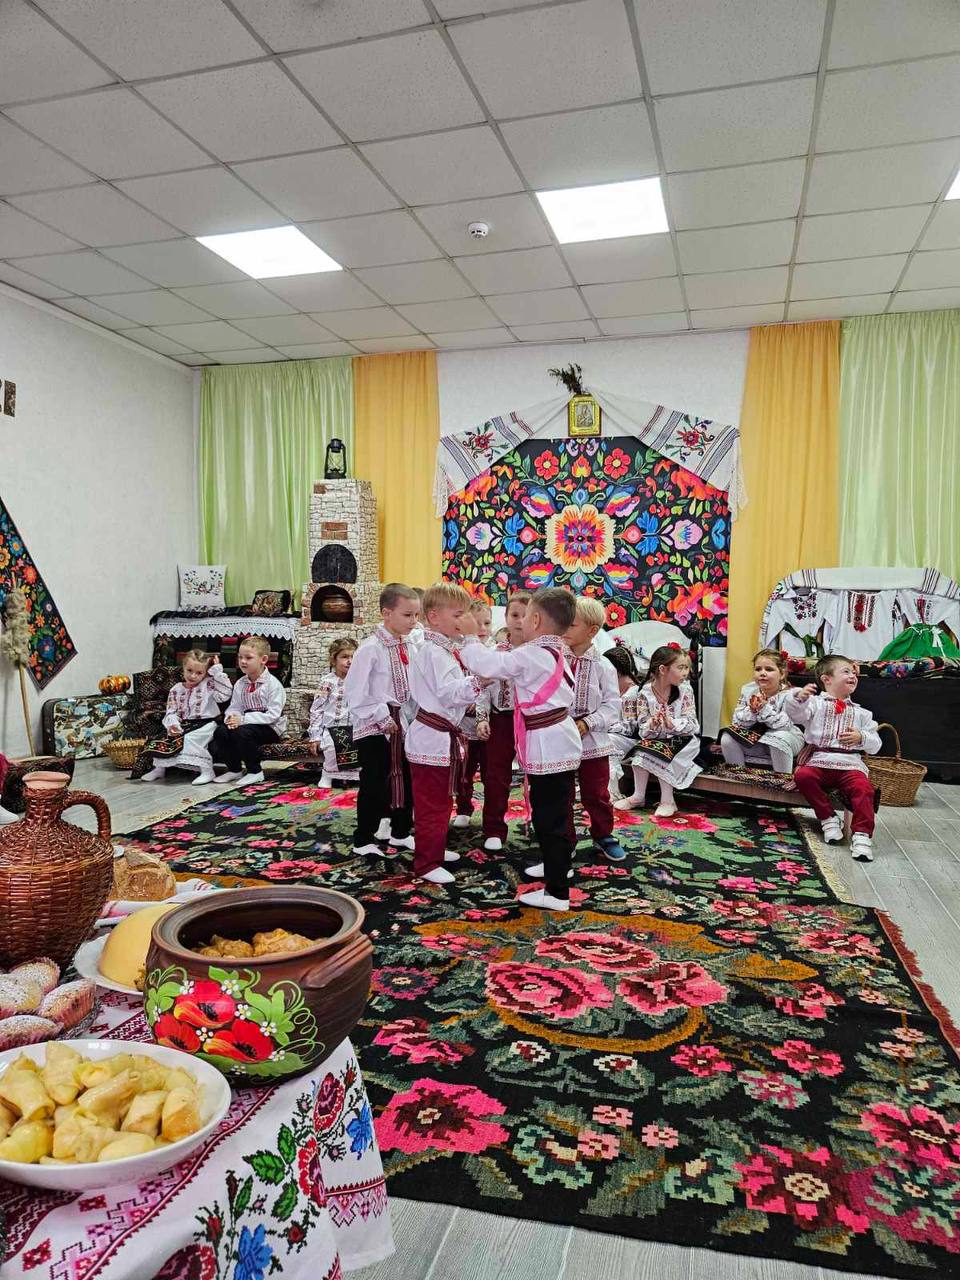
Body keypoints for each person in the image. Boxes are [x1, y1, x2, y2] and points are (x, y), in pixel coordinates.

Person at [460, 586, 581, 913]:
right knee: (555, 812)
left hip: (549, 743)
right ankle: (556, 867)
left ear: (536, 620)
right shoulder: (554, 650)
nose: (520, 621)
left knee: (550, 816)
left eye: (525, 615)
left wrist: (470, 637)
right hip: (558, 740)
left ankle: (557, 893)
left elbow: (487, 664)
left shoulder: (531, 654)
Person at [406, 582, 484, 883]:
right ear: (434, 617)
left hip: (438, 736)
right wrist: (479, 682)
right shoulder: (434, 653)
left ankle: (434, 849)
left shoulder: (442, 650)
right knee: (432, 803)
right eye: (458, 614)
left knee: (441, 800)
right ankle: (426, 864)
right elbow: (449, 693)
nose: (464, 620)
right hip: (431, 738)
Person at [343, 582, 419, 857]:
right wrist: (380, 716)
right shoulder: (370, 648)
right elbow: (355, 691)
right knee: (374, 781)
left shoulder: (409, 644)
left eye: (416, 615)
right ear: (386, 613)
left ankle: (400, 832)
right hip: (373, 725)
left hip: (403, 722)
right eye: (407, 615)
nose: (413, 621)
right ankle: (363, 838)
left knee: (405, 778)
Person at [787, 654, 882, 862]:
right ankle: (828, 817)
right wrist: (799, 697)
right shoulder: (815, 704)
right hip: (820, 760)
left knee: (864, 789)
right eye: (846, 671)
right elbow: (796, 715)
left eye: (854, 673)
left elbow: (876, 745)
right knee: (803, 776)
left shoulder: (862, 713)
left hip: (850, 764)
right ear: (827, 679)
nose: (853, 676)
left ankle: (862, 835)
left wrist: (861, 737)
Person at [564, 597, 626, 861]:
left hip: (593, 739)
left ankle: (604, 835)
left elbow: (612, 705)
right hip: (560, 736)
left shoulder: (603, 665)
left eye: (572, 624)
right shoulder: (555, 660)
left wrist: (588, 722)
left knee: (597, 792)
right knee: (562, 793)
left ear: (592, 631)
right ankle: (564, 838)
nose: (564, 628)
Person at [614, 644, 701, 818]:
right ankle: (638, 796)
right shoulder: (644, 693)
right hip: (657, 739)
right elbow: (642, 730)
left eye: (687, 668)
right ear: (663, 669)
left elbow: (693, 724)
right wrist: (652, 725)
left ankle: (668, 801)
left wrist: (672, 724)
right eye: (681, 668)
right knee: (640, 754)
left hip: (684, 739)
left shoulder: (685, 690)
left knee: (661, 754)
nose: (685, 673)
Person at [133, 650, 232, 784]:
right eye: (189, 670)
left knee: (191, 738)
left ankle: (207, 770)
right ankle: (159, 769)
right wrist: (173, 724)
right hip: (185, 723)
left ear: (205, 673)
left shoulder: (209, 684)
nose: (193, 676)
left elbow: (225, 695)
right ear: (183, 668)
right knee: (163, 737)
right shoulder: (176, 689)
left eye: (199, 673)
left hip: (207, 724)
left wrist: (218, 672)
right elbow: (171, 711)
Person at [480, 590, 530, 852]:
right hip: (501, 720)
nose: (519, 621)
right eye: (514, 615)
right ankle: (493, 828)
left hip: (532, 722)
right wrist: (482, 718)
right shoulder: (495, 653)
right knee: (496, 776)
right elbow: (482, 688)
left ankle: (541, 823)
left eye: (525, 615)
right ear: (507, 617)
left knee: (540, 776)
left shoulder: (541, 652)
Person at [210, 637, 286, 785]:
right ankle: (234, 770)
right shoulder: (240, 683)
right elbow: (235, 707)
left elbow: (273, 715)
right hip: (246, 723)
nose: (243, 661)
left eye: (248, 658)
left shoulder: (273, 685)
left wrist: (243, 720)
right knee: (221, 731)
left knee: (242, 732)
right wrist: (231, 718)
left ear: (263, 659)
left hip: (270, 727)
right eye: (240, 657)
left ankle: (255, 771)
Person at [720, 649, 805, 774]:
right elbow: (737, 722)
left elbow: (784, 725)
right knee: (728, 737)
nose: (762, 673)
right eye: (758, 669)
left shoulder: (791, 694)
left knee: (777, 738)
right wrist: (752, 710)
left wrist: (764, 709)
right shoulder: (748, 689)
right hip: (758, 737)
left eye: (769, 669)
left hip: (787, 737)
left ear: (782, 674)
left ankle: (782, 779)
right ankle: (739, 775)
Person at [453, 599, 493, 828]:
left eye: (487, 623)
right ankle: (464, 808)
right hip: (463, 725)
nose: (482, 629)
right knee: (463, 771)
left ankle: (492, 812)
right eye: (477, 623)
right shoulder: (457, 653)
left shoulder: (495, 653)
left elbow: (492, 686)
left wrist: (480, 709)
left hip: (488, 725)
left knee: (491, 773)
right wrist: (465, 701)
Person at [308, 638, 359, 788]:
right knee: (330, 746)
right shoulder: (326, 682)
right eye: (344, 657)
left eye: (353, 657)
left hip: (354, 726)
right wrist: (315, 736)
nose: (350, 661)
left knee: (361, 744)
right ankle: (328, 774)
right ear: (333, 660)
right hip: (332, 727)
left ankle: (353, 776)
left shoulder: (360, 681)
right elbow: (317, 709)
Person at [605, 643, 643, 798]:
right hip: (618, 735)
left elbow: (630, 727)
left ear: (617, 670)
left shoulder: (631, 693)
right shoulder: (614, 689)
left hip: (631, 739)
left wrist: (605, 727)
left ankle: (612, 791)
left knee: (607, 741)